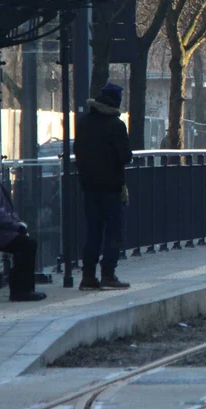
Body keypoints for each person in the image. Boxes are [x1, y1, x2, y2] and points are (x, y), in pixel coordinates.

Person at [74, 82, 133, 291]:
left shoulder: (83, 123)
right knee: (114, 231)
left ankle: (88, 275)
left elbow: (77, 151)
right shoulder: (116, 125)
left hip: (89, 186)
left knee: (93, 232)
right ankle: (108, 273)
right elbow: (125, 156)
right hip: (111, 187)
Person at [0, 140, 46, 302]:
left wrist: (15, 224)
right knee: (27, 245)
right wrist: (16, 225)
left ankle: (22, 289)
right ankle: (21, 290)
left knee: (26, 243)